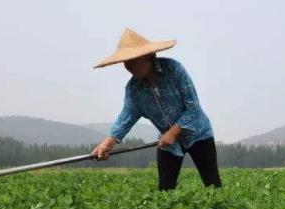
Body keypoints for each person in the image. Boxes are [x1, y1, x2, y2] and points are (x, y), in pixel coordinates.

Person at [91, 29, 221, 191]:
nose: (129, 67)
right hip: (168, 144)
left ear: (148, 56)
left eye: (132, 61)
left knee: (213, 185)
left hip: (198, 133)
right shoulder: (134, 90)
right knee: (165, 191)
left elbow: (193, 108)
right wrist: (107, 144)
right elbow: (126, 117)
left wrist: (173, 132)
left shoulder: (174, 70)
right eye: (125, 62)